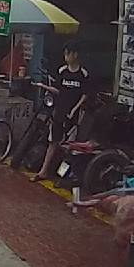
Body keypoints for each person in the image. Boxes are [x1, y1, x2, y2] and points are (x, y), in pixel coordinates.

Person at [33, 41, 90, 182]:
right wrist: (44, 87)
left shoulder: (83, 74)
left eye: (67, 54)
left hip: (74, 115)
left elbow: (85, 95)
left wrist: (75, 109)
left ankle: (65, 175)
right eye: (64, 54)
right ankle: (43, 171)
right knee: (53, 142)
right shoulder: (62, 71)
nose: (65, 57)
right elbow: (57, 90)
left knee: (70, 146)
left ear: (75, 54)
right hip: (59, 112)